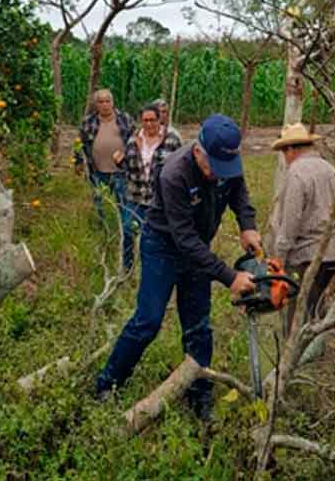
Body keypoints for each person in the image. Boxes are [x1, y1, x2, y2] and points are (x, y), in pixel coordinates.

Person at [95, 114, 261, 421]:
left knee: (198, 325)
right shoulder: (174, 174)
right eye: (213, 168)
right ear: (198, 151)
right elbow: (184, 240)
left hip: (197, 247)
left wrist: (247, 225)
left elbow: (239, 192)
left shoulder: (226, 162)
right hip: (164, 248)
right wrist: (230, 277)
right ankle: (108, 384)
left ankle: (199, 396)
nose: (217, 175)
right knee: (148, 321)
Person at [269, 123, 335, 327]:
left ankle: (297, 357)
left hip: (307, 257)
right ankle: (316, 354)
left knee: (298, 318)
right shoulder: (329, 168)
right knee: (319, 313)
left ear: (291, 149)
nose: (285, 159)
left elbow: (290, 224)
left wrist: (279, 260)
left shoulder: (296, 173)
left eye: (284, 153)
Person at [118, 104, 182, 272]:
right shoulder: (133, 140)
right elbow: (126, 166)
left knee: (155, 236)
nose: (149, 124)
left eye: (152, 120)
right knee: (128, 231)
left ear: (159, 119)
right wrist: (119, 160)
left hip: (160, 199)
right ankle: (127, 267)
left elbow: (182, 165)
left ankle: (156, 266)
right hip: (136, 197)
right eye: (145, 120)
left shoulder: (172, 139)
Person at [75, 89, 136, 243]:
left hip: (120, 172)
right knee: (99, 205)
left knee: (123, 204)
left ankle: (124, 234)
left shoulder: (125, 119)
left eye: (107, 101)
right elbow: (79, 143)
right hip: (97, 172)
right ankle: (103, 234)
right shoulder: (89, 121)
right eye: (101, 102)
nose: (104, 105)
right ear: (96, 105)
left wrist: (128, 156)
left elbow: (136, 140)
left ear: (112, 102)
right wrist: (78, 162)